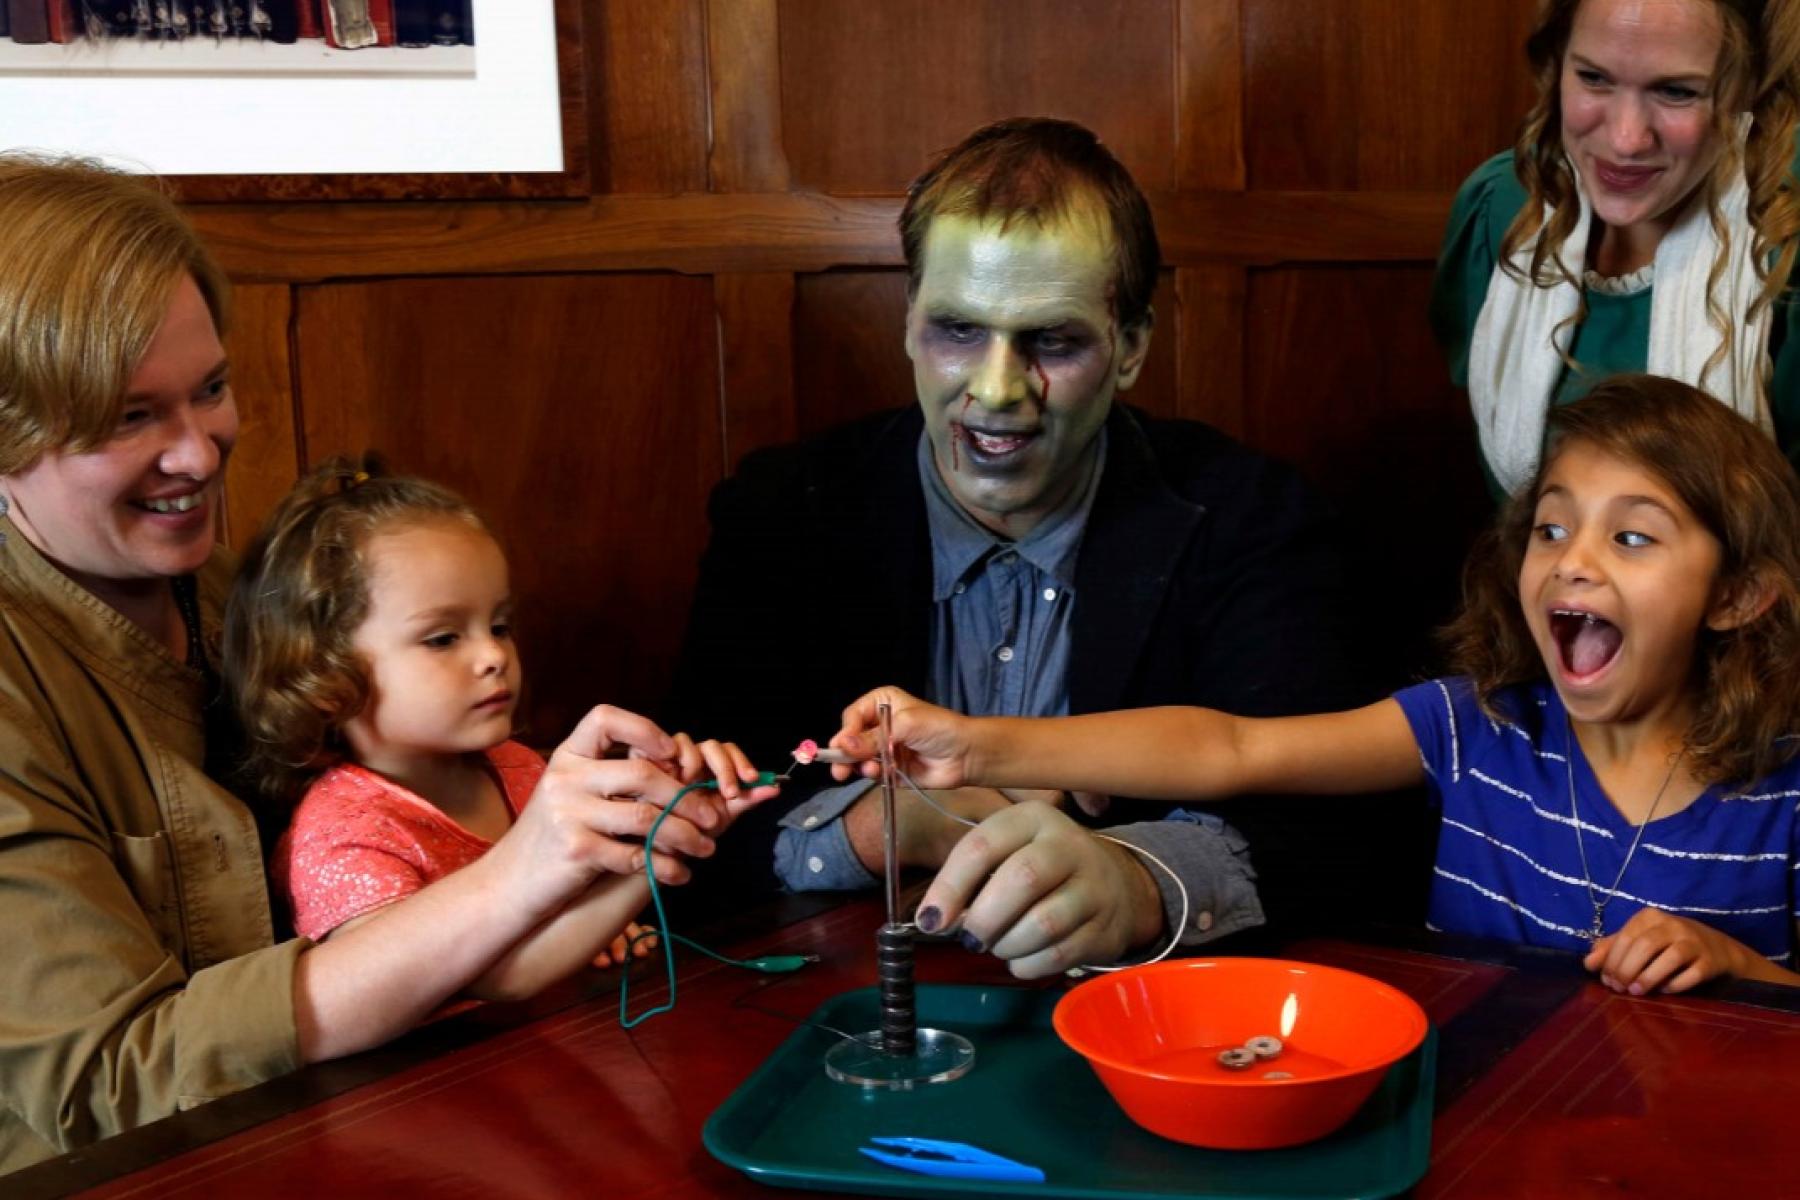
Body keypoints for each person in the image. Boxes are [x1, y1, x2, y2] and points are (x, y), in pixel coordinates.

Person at [0, 154, 768, 1175]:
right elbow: (110, 1082)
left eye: (213, 390)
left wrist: (598, 840)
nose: (200, 453)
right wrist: (522, 875)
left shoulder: (242, 598)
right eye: (133, 418)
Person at [667, 117, 1401, 980]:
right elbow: (688, 823)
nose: (996, 389)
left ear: (1131, 348)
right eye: (958, 331)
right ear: (907, 323)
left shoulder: (1256, 519)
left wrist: (1139, 882)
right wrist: (877, 830)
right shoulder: (784, 513)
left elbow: (1347, 837)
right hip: (835, 1019)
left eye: (1052, 342)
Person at [832, 375, 1800, 993]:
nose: (1573, 561)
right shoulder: (1474, 728)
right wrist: (975, 742)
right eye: (1551, 527)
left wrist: (1741, 967)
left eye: (1631, 536)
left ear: (1740, 594)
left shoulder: (1784, 795)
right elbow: (1231, 746)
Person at [225, 459, 763, 992]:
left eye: (499, 625)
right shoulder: (341, 838)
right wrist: (654, 857)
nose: (493, 655)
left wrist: (667, 818)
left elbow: (558, 926)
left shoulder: (516, 767)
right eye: (442, 638)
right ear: (322, 678)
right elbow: (494, 980)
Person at [1432, 0, 1800, 494]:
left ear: (1750, 85)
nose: (1626, 140)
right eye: (1594, 78)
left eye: (1676, 91)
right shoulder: (1503, 207)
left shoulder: (1783, 228)